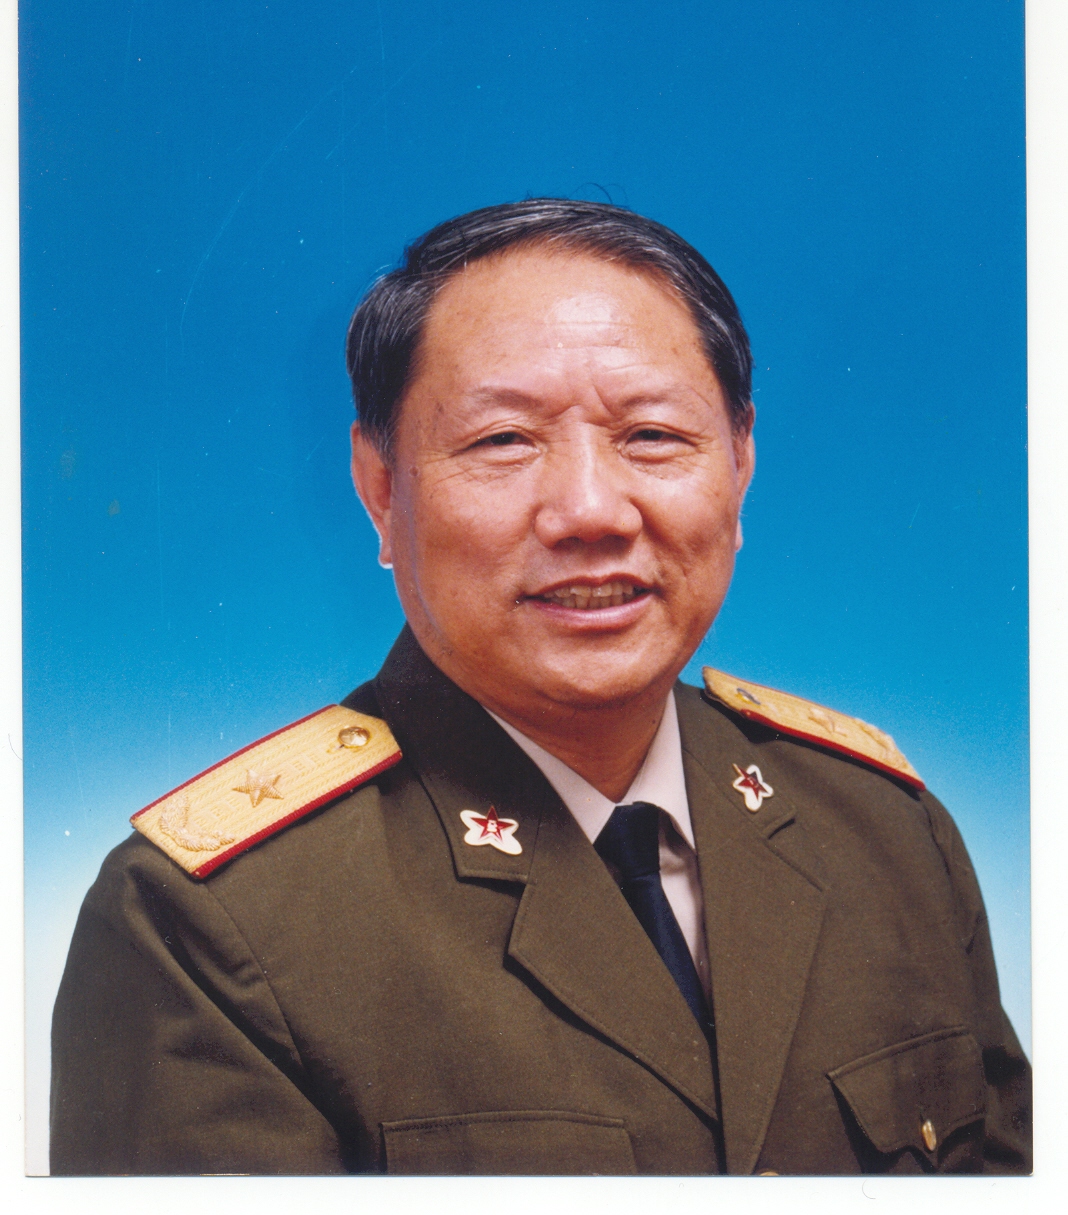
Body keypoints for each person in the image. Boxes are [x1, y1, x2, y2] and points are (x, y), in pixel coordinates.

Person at [50, 199, 1031, 1176]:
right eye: (504, 441)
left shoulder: (887, 833)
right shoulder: (210, 927)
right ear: (380, 490)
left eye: (652, 435)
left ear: (740, 468)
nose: (592, 512)